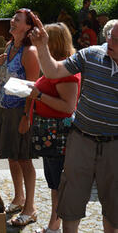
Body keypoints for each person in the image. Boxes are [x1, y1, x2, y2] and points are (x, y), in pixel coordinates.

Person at [29, 13, 118, 233]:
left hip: (114, 146)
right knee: (70, 206)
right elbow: (53, 71)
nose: (109, 42)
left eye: (116, 40)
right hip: (81, 140)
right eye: (109, 36)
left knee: (114, 211)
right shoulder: (90, 55)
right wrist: (42, 46)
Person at [29, 23, 81, 233]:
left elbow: (68, 107)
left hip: (58, 136)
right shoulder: (57, 66)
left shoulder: (66, 71)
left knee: (58, 184)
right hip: (52, 134)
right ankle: (55, 224)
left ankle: (55, 225)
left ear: (53, 42)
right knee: (55, 183)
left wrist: (39, 95)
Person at [0, 8, 40, 226]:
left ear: (28, 27)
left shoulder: (30, 52)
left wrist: (26, 117)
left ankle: (31, 207)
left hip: (20, 111)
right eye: (13, 18)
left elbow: (33, 88)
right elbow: (5, 78)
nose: (12, 21)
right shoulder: (10, 47)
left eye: (17, 20)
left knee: (24, 158)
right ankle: (18, 197)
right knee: (12, 156)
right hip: (5, 108)